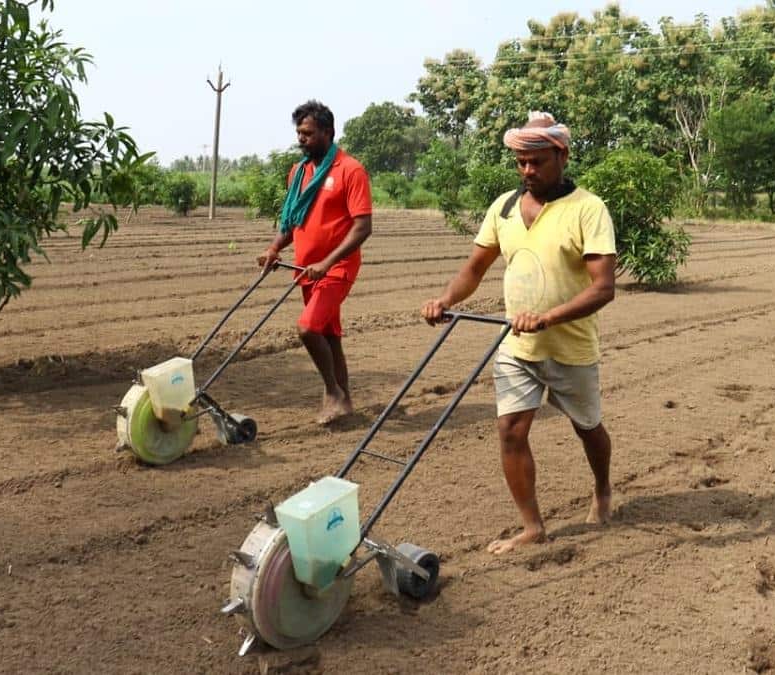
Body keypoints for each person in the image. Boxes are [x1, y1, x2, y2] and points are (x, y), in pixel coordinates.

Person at [421, 111, 617, 555]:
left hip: (570, 346)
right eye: (521, 162)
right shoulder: (504, 208)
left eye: (537, 162)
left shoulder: (587, 209)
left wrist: (548, 318)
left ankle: (602, 487)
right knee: (511, 430)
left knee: (588, 428)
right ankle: (532, 526)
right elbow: (474, 268)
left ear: (562, 157)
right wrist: (446, 300)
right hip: (516, 344)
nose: (528, 170)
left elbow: (603, 288)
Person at [258, 100, 373, 425]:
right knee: (329, 334)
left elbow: (362, 227)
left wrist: (327, 262)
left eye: (308, 133)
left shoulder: (350, 170)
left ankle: (332, 392)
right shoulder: (299, 173)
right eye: (299, 133)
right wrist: (274, 248)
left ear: (328, 132)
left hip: (337, 268)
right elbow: (293, 221)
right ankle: (345, 400)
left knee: (308, 328)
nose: (301, 139)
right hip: (306, 270)